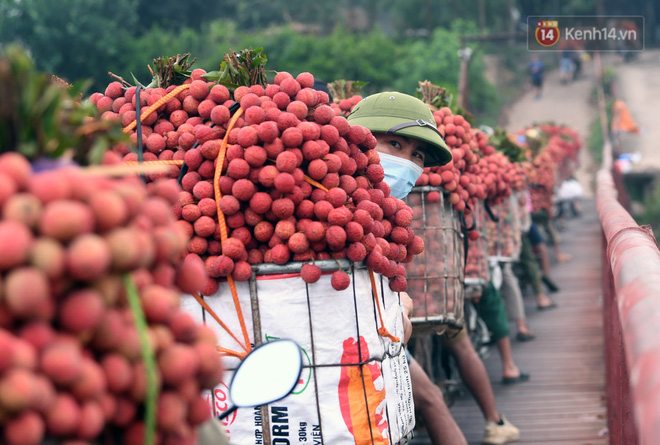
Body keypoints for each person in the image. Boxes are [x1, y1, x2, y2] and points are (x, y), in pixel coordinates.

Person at [348, 92, 521, 445]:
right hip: (343, 342)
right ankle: (494, 417)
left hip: (380, 330)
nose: (408, 162)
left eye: (417, 156)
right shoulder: (333, 201)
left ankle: (495, 412)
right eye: (395, 144)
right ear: (358, 139)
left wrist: (403, 306)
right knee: (430, 391)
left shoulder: (389, 216)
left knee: (428, 394)